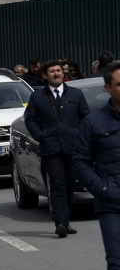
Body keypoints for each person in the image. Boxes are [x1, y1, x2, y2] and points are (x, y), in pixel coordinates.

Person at [72, 62, 120, 270]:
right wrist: (102, 189)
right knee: (118, 264)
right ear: (108, 88)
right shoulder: (95, 122)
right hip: (113, 205)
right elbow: (79, 162)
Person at [25, 59, 91, 238]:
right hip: (51, 147)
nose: (56, 74)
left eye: (59, 71)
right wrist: (41, 135)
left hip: (73, 146)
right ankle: (60, 222)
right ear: (45, 76)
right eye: (52, 71)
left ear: (63, 73)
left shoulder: (76, 94)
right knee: (57, 184)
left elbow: (86, 117)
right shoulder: (38, 96)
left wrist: (79, 134)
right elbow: (29, 119)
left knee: (70, 185)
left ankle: (66, 220)